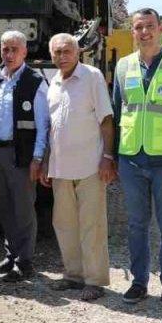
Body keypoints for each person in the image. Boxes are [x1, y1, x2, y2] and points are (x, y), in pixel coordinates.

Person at [112, 8, 162, 307]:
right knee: (136, 224)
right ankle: (139, 281)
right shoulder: (123, 67)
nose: (144, 32)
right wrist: (112, 156)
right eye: (138, 27)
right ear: (132, 31)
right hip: (131, 158)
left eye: (149, 26)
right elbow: (118, 112)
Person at [42, 33, 115, 302]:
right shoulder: (54, 84)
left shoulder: (92, 76)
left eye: (66, 51)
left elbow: (106, 120)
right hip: (61, 167)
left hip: (90, 165)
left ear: (77, 52)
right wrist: (47, 162)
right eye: (57, 52)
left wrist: (107, 157)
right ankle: (73, 275)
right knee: (64, 224)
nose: (62, 56)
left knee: (91, 225)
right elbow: (52, 128)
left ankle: (95, 281)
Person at [0, 30, 49, 282]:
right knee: (6, 208)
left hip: (22, 156)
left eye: (14, 49)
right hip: (0, 153)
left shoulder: (35, 82)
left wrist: (37, 159)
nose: (9, 54)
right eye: (5, 49)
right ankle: (10, 255)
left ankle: (24, 262)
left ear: (25, 52)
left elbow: (43, 125)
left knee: (24, 210)